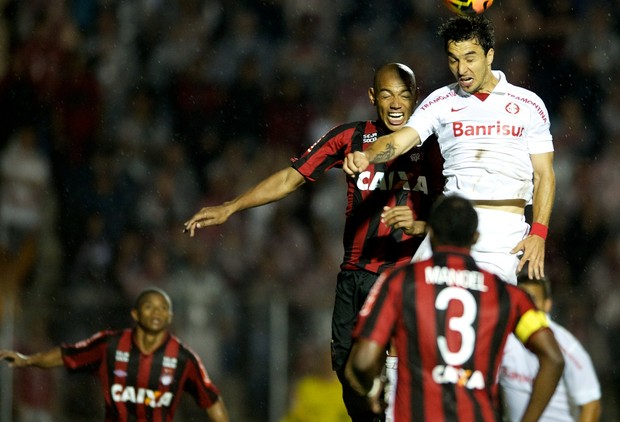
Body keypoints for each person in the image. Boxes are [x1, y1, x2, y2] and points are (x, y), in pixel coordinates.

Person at [183, 62, 445, 421]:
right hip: (355, 275)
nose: (396, 103)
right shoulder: (350, 137)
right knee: (347, 370)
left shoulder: (436, 144)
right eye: (386, 94)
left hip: (405, 275)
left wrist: (420, 226)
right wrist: (232, 206)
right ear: (372, 97)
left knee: (396, 365)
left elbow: (459, 216)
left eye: (404, 94)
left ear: (416, 98)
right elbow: (293, 178)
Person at [343, 15, 555, 285]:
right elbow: (402, 139)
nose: (461, 69)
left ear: (490, 55)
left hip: (502, 234)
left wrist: (539, 232)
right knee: (402, 301)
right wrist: (368, 154)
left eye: (470, 57)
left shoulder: (528, 104)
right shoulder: (441, 101)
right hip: (448, 225)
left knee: (486, 320)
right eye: (453, 59)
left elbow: (545, 174)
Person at [344, 195, 565, 421]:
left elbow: (362, 362)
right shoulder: (505, 294)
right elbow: (553, 358)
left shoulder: (400, 283)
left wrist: (372, 390)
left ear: (432, 233)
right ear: (475, 238)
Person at [0, 287, 230, 422]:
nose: (156, 312)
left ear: (169, 317)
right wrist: (28, 360)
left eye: (162, 308)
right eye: (149, 306)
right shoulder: (110, 345)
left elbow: (212, 400)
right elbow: (66, 354)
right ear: (136, 314)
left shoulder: (183, 358)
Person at [499, 275, 602, 421]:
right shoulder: (504, 338)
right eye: (522, 299)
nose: (527, 306)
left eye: (532, 299)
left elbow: (591, 405)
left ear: (547, 304)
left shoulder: (567, 346)